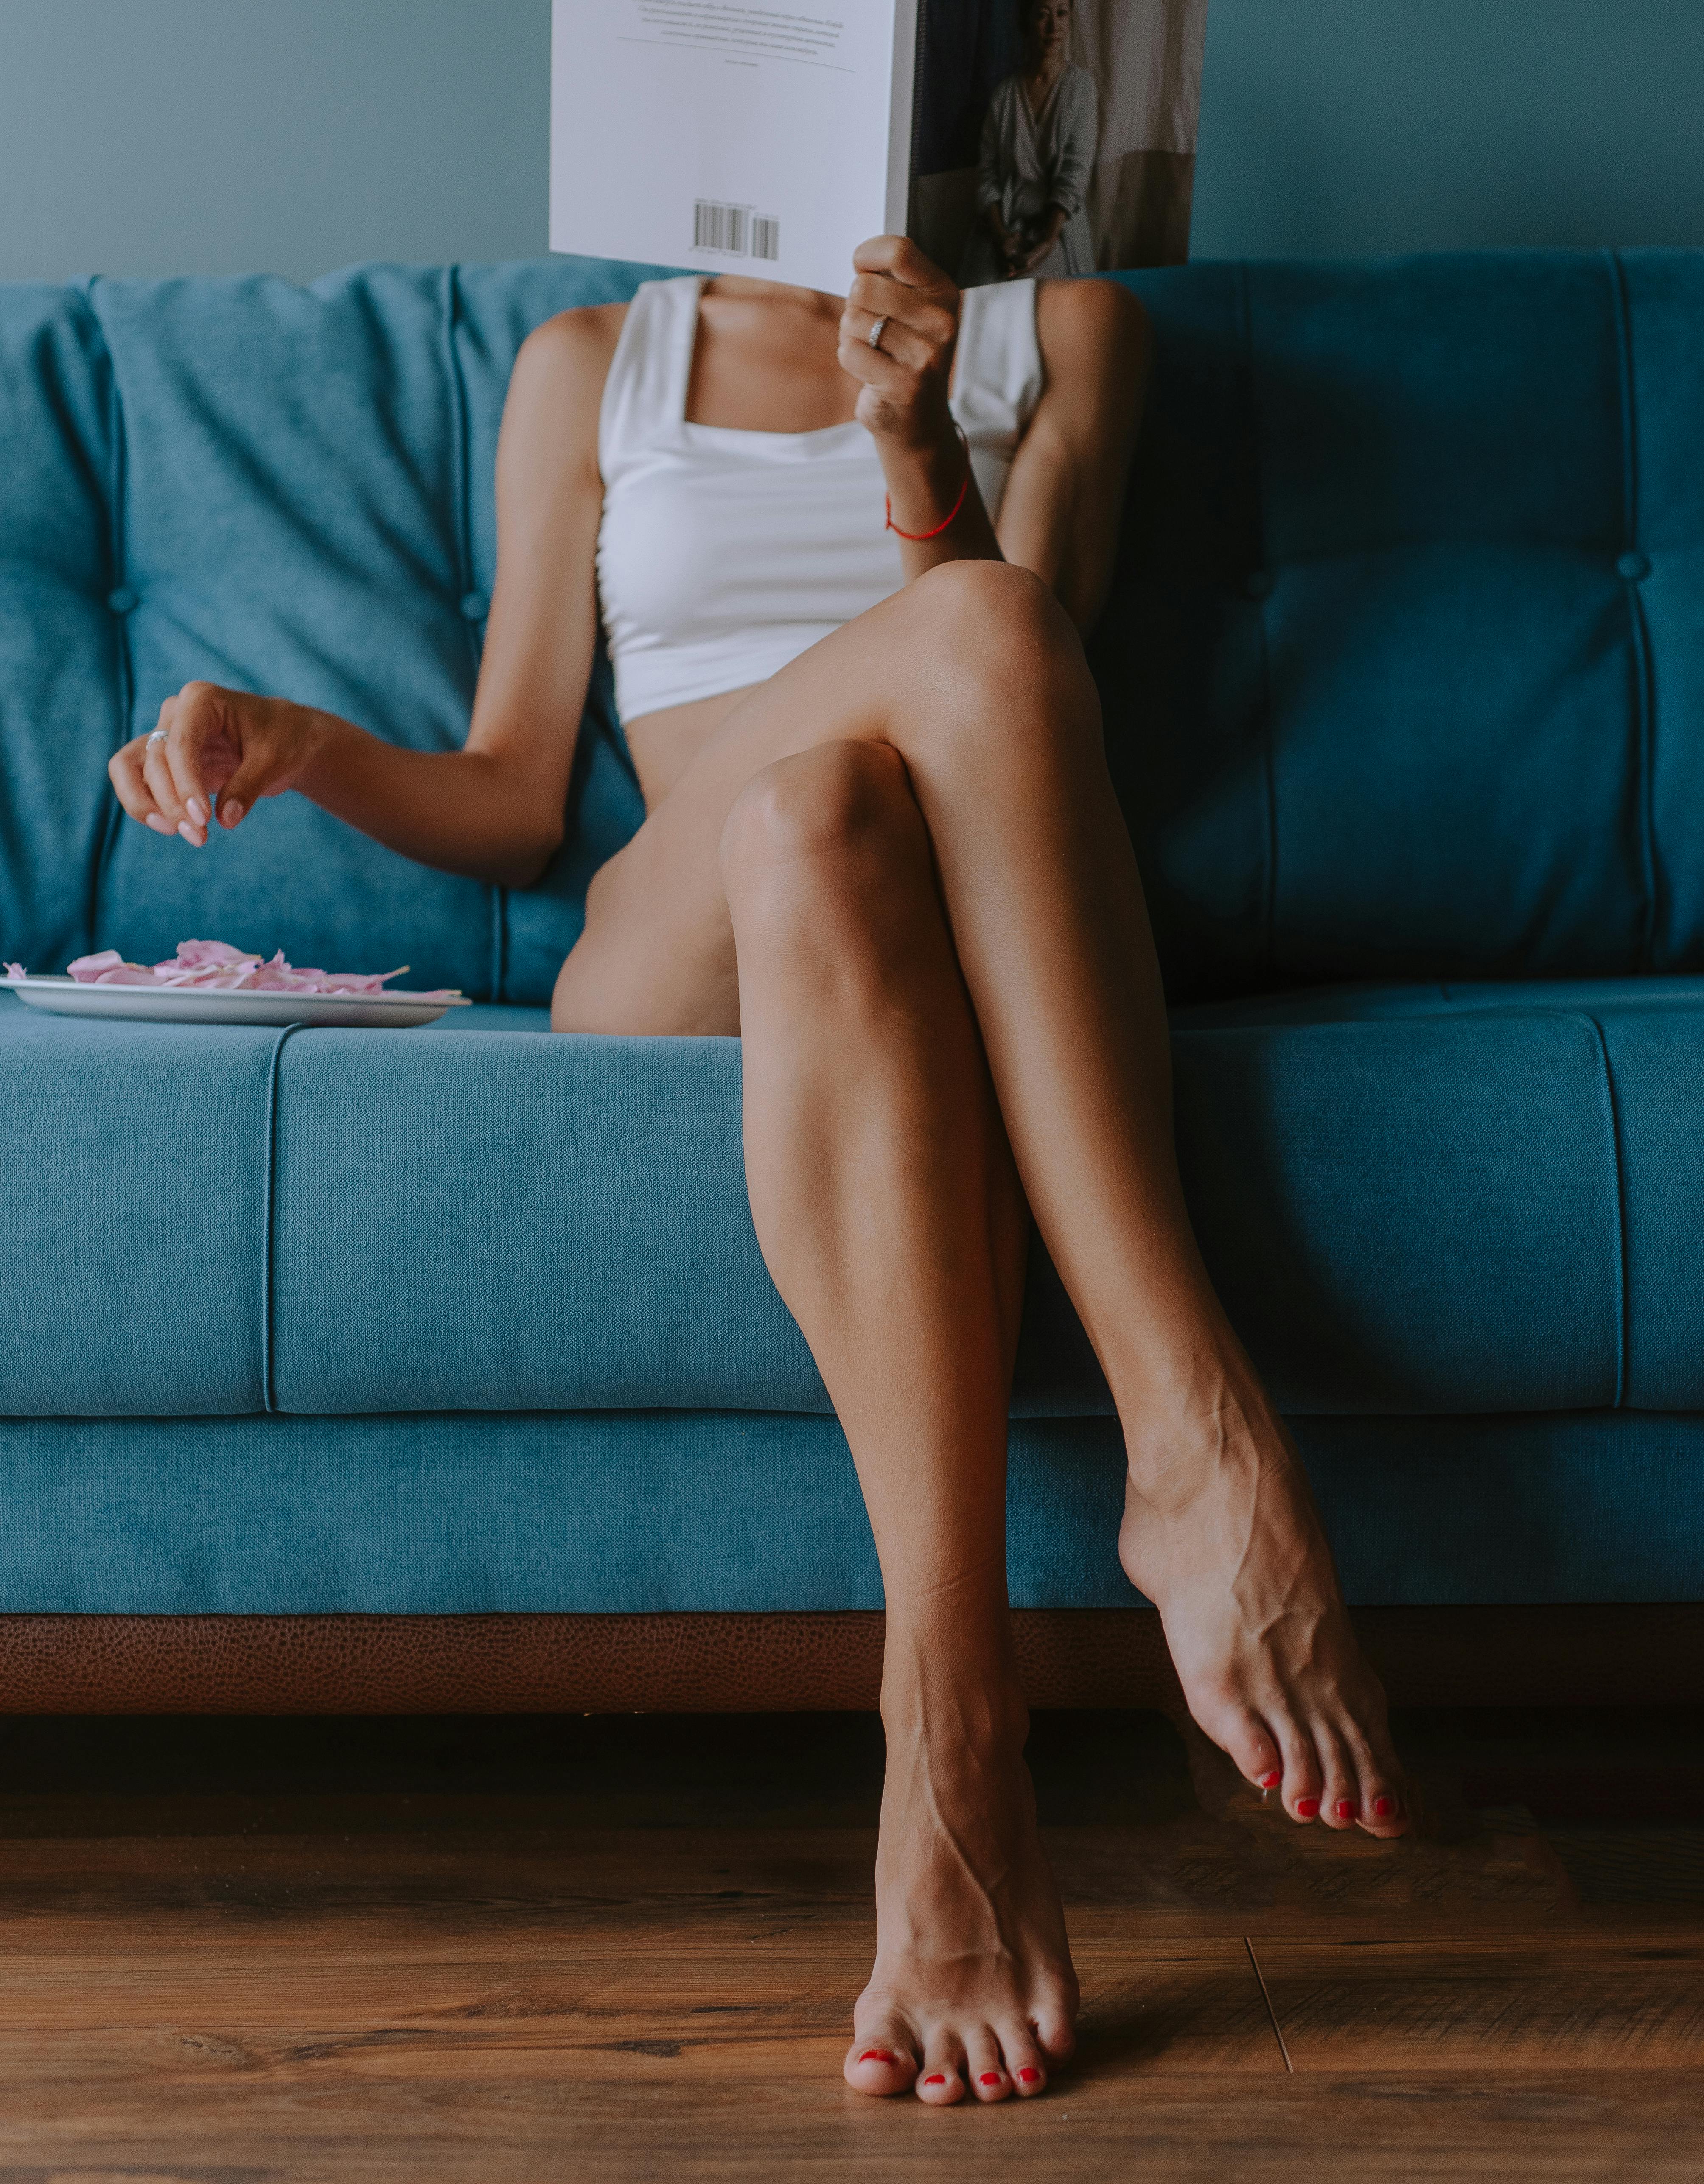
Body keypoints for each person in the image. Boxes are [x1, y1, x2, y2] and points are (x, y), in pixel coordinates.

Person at [109, 240, 1408, 2111]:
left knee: (841, 803)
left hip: (900, 888)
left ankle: (947, 1735)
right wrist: (298, 743)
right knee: (941, 657)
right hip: (662, 925)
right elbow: (511, 790)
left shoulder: (1062, 329)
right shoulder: (596, 361)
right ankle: (1190, 1435)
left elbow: (1031, 731)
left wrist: (913, 452)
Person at [960, 0, 1098, 286]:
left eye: (1062, 14)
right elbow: (988, 175)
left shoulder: (1082, 90)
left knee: (1040, 296)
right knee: (979, 292)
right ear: (1026, 23)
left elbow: (1074, 176)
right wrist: (1002, 237)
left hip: (1056, 228)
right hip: (1005, 224)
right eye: (1042, 16)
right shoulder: (1005, 95)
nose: (1054, 27)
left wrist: (1047, 242)